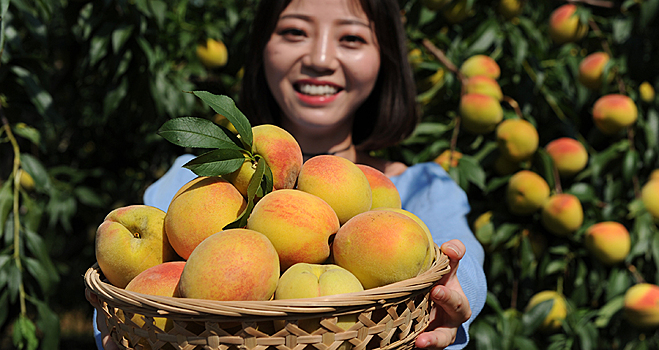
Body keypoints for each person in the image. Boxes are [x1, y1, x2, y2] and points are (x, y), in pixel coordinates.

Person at [87, 0, 487, 349]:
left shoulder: (420, 187)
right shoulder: (197, 181)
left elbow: (464, 264)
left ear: (387, 58)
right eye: (295, 32)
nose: (320, 57)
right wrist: (118, 330)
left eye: (351, 38)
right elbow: (130, 285)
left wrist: (452, 291)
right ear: (260, 48)